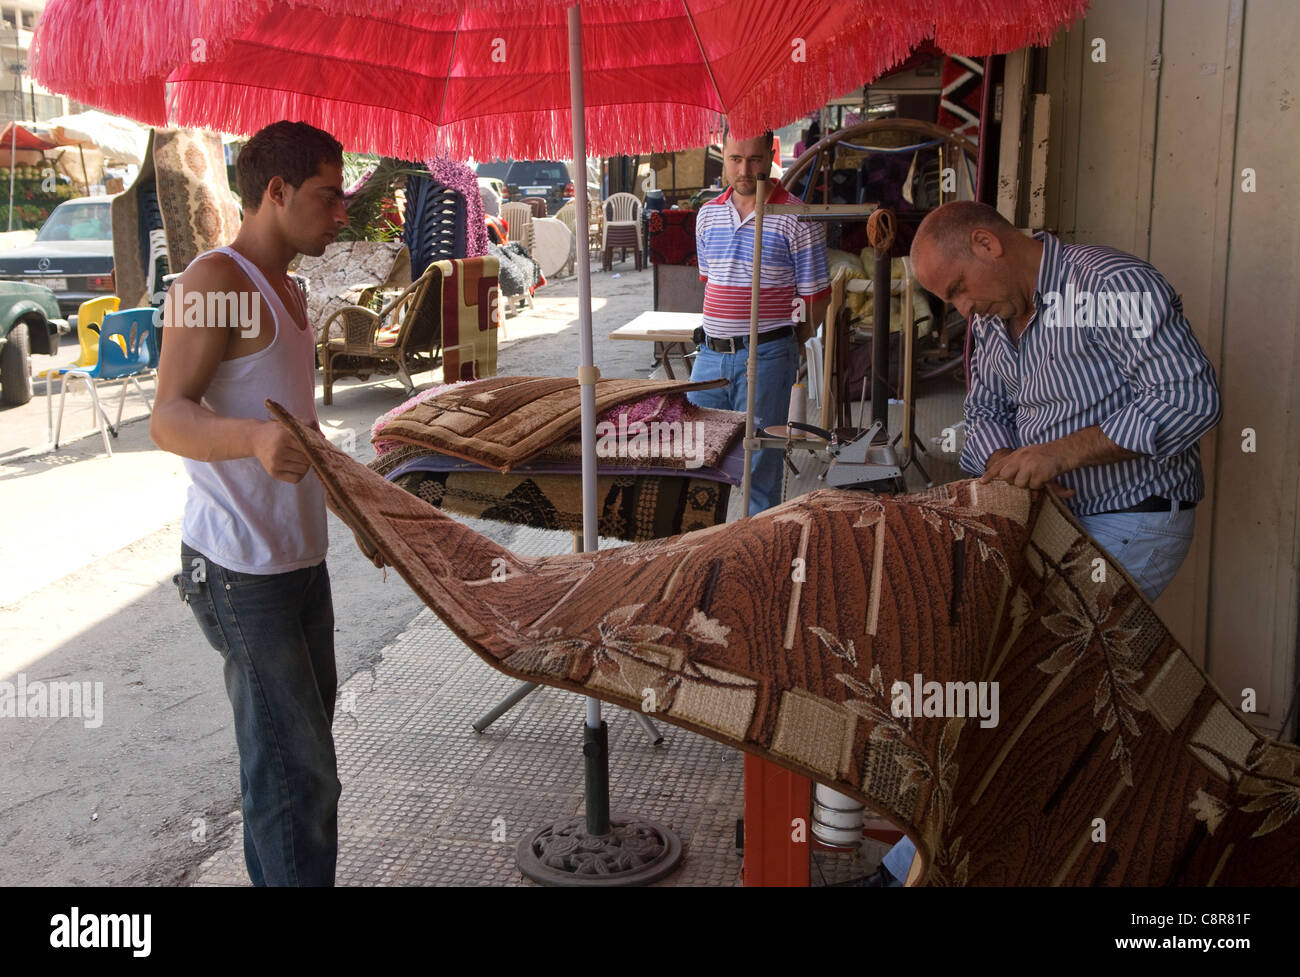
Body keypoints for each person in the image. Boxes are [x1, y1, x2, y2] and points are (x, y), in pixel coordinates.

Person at [862, 200, 1222, 886]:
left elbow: (1190, 398)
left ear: (987, 243)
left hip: (1135, 518)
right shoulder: (999, 323)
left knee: (1026, 693)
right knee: (985, 675)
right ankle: (941, 860)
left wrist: (1061, 454)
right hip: (1053, 525)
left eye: (960, 289)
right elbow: (985, 416)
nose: (964, 310)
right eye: (950, 301)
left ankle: (914, 872)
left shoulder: (1106, 286)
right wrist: (1011, 463)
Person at [152, 120, 352, 886]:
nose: (340, 214)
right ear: (275, 193)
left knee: (297, 770)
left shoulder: (289, 289)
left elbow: (289, 419)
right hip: (240, 567)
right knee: (297, 779)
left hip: (299, 557)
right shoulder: (214, 283)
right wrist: (253, 442)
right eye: (327, 197)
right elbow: (168, 415)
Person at [687, 127, 830, 514]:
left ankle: (759, 561)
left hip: (767, 355)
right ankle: (703, 553)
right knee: (696, 459)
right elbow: (711, 282)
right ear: (723, 155)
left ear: (771, 155)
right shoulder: (707, 215)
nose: (744, 169)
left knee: (760, 467)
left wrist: (789, 343)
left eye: (754, 159)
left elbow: (817, 297)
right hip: (709, 357)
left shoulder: (795, 216)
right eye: (735, 159)